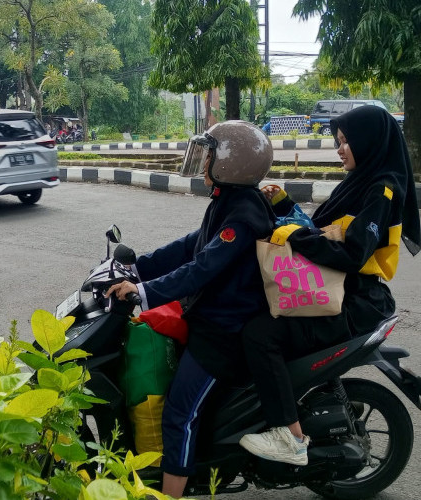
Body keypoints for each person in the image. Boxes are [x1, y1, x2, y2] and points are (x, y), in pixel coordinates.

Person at [239, 105, 421, 466]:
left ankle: (289, 438)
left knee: (260, 335)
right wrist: (284, 205)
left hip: (355, 300)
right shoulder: (361, 181)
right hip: (336, 290)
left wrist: (294, 235)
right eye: (338, 142)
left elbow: (352, 252)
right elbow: (324, 227)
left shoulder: (382, 190)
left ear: (368, 142)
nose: (340, 149)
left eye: (346, 142)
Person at [105, 121, 276, 498]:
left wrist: (143, 291)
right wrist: (136, 268)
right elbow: (189, 246)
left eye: (210, 154)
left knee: (179, 413)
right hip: (211, 320)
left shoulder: (244, 214)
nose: (203, 162)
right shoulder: (229, 201)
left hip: (223, 332)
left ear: (233, 162)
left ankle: (170, 495)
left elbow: (202, 268)